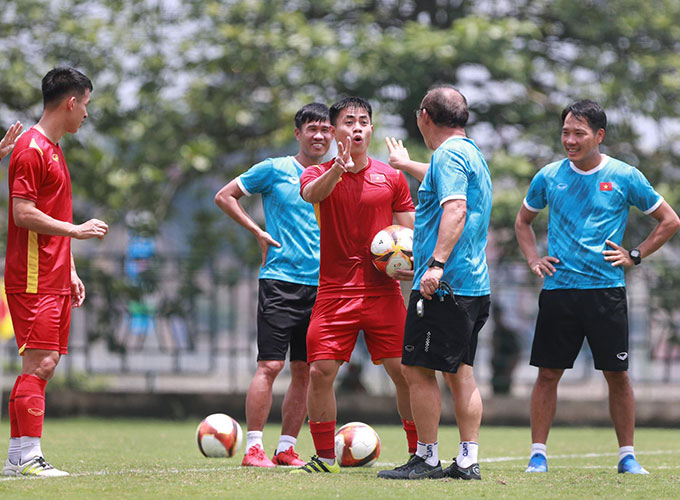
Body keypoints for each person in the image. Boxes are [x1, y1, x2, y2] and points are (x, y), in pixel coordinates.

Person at [515, 99, 680, 475]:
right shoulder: (548, 176)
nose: (570, 140)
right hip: (559, 291)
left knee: (617, 376)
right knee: (547, 374)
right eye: (565, 133)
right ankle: (537, 455)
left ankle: (627, 456)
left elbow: (669, 220)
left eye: (579, 133)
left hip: (606, 291)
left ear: (598, 135)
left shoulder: (625, 176)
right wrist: (532, 259)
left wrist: (635, 255)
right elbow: (523, 222)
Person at [291, 97, 417, 474]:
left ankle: (419, 453)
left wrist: (409, 260)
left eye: (364, 121)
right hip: (334, 293)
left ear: (371, 130)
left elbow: (408, 228)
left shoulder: (391, 177)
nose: (357, 128)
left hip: (383, 293)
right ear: (334, 131)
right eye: (349, 121)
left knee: (406, 373)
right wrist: (339, 170)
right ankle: (326, 457)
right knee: (319, 372)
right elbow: (313, 195)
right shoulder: (316, 173)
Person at [378, 85, 492, 480]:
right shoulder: (469, 152)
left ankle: (426, 458)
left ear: (424, 115)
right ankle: (467, 459)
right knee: (460, 372)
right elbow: (443, 181)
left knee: (417, 370)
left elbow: (455, 208)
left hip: (445, 287)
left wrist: (436, 265)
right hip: (472, 285)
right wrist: (405, 165)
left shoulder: (447, 154)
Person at [2, 67, 109, 477]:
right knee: (40, 365)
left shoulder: (53, 149)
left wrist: (72, 268)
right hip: (32, 275)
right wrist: (76, 232)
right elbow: (23, 213)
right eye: (86, 104)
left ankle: (17, 458)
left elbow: (52, 212)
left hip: (53, 273)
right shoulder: (31, 148)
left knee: (43, 366)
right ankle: (28, 457)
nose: (86, 113)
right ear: (71, 101)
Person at [214, 103, 333, 467]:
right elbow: (224, 195)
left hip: (324, 287)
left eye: (326, 129)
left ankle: (285, 448)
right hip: (281, 281)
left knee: (306, 370)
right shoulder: (274, 169)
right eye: (311, 128)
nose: (319, 135)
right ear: (298, 133)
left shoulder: (337, 175)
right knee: (269, 366)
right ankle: (253, 448)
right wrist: (257, 231)